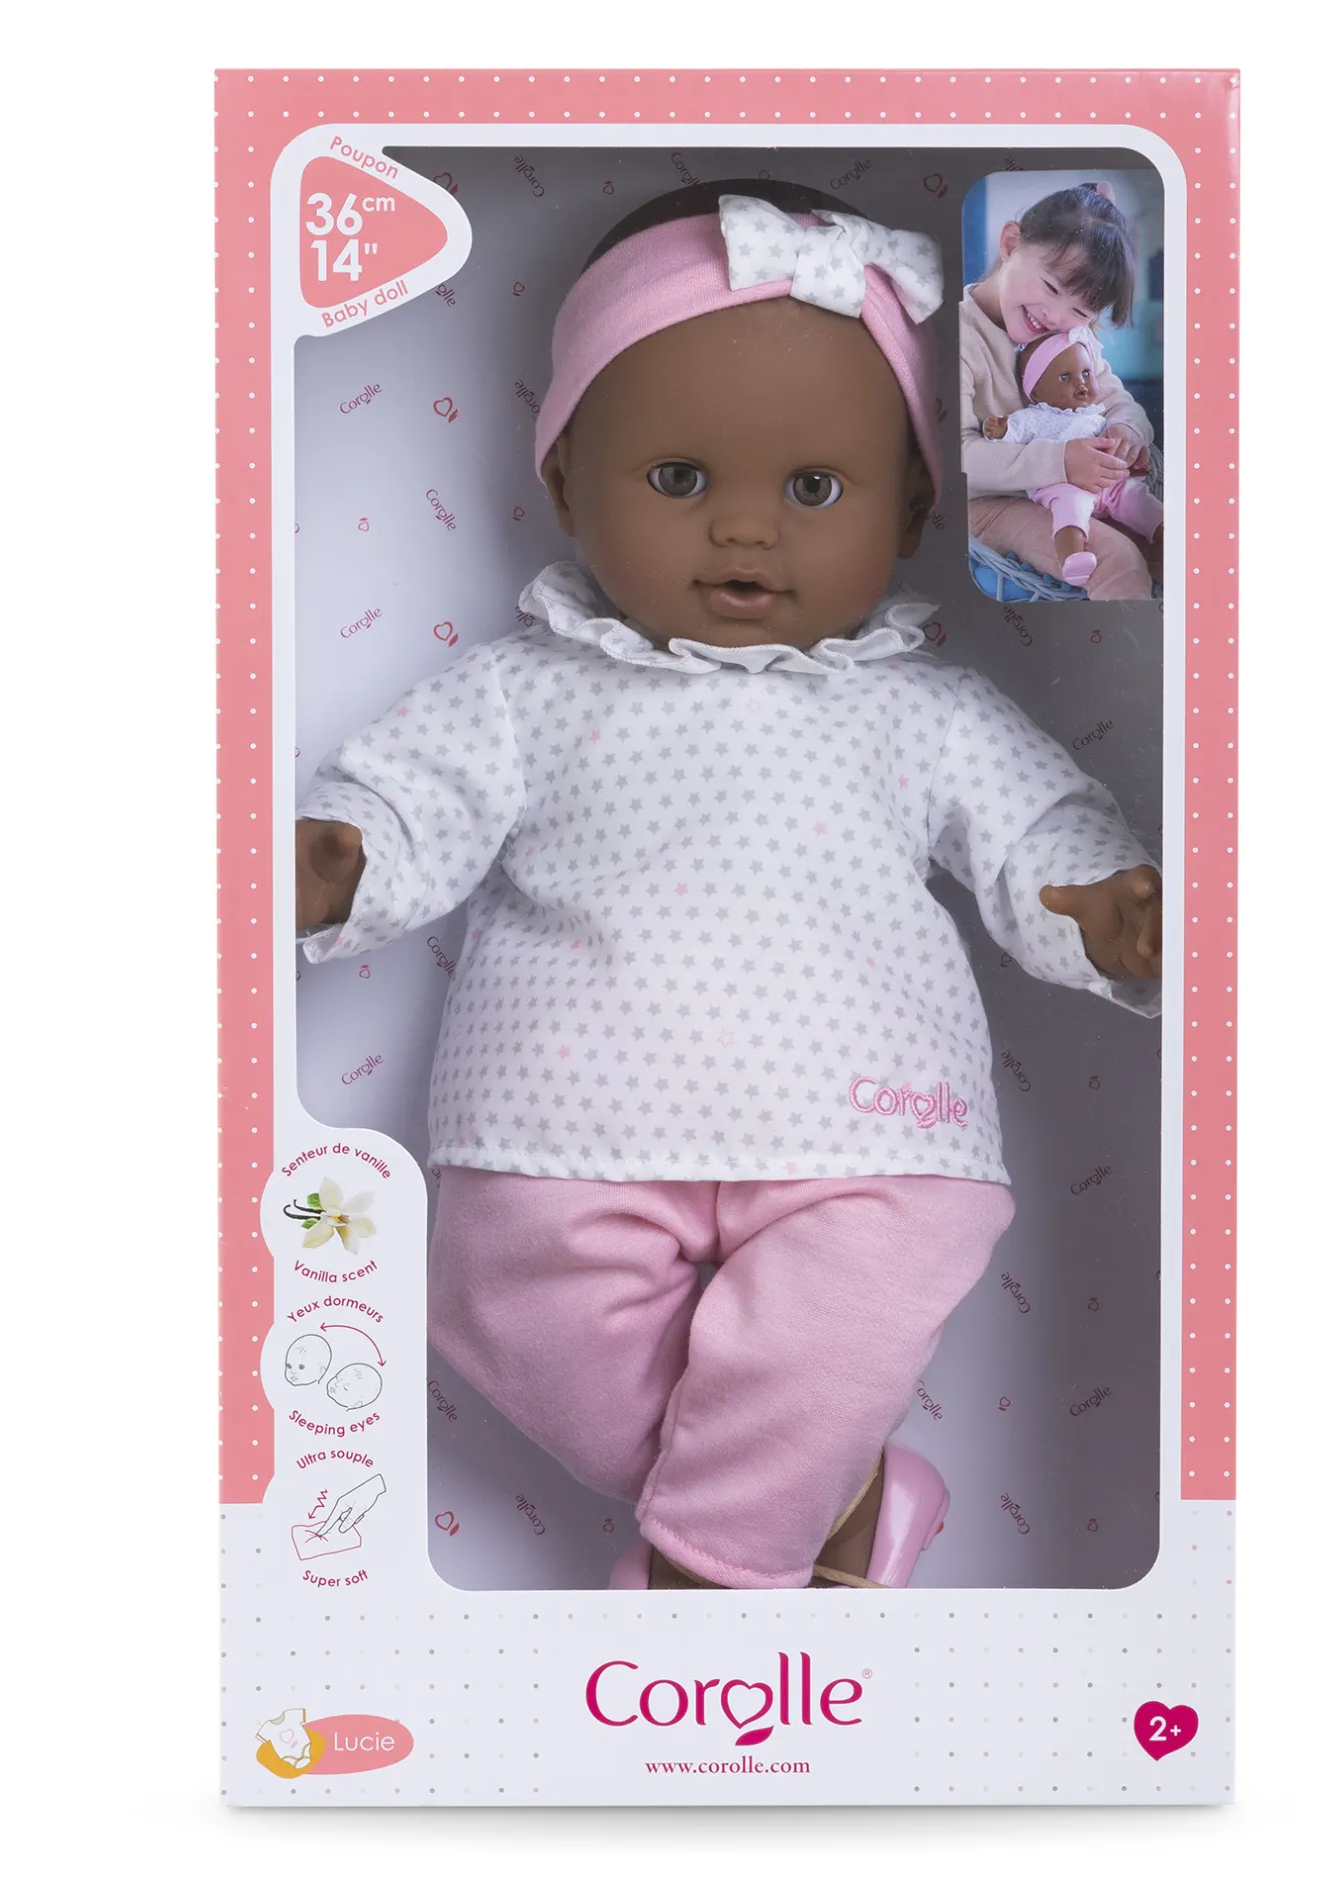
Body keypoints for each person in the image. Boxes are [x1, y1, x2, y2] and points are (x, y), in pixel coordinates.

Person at [294, 182, 1162, 1593]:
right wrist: (339, 857)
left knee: (857, 1309)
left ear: (912, 507)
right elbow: (410, 797)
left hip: (868, 1123)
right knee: (499, 1309)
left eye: (813, 489)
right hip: (556, 1117)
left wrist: (1104, 903)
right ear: (566, 483)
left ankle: (715, 1577)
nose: (745, 531)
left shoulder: (919, 707)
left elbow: (1037, 830)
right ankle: (823, 1502)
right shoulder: (523, 690)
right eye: (680, 480)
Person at [961, 183, 1157, 600]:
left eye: (1080, 310)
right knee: (1116, 560)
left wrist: (1127, 431)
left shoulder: (1073, 337)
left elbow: (1118, 401)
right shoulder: (959, 337)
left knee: (1168, 531)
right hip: (990, 501)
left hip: (1076, 492)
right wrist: (1062, 462)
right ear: (1010, 244)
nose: (1054, 316)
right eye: (1050, 287)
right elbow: (958, 458)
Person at [981, 330, 1164, 586]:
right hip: (1064, 484)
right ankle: (1073, 557)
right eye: (1065, 377)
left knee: (1136, 497)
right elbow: (1012, 432)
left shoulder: (1097, 415)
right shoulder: (1038, 416)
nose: (1080, 383)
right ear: (1037, 393)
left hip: (1108, 485)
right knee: (1069, 510)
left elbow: (1121, 438)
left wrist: (1130, 458)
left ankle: (1165, 531)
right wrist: (1000, 428)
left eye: (1086, 374)